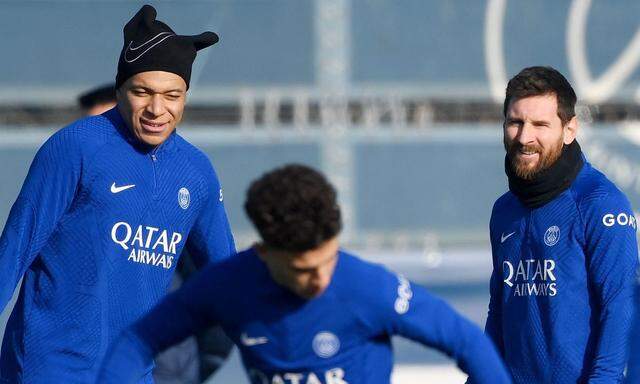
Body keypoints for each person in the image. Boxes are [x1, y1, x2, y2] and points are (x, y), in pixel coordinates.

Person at [99, 164, 512, 384]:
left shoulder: (367, 287)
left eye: (328, 260)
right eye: (303, 269)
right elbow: (139, 339)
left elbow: (465, 339)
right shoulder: (227, 286)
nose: (321, 278)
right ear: (263, 253)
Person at [0, 5, 235, 383]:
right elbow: (12, 253)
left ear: (185, 96)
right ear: (120, 89)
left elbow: (229, 279)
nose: (157, 110)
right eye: (142, 92)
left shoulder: (196, 171)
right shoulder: (76, 147)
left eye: (172, 95)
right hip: (50, 370)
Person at [477, 66, 638, 383]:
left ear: (570, 130)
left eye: (540, 124)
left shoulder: (600, 203)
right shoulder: (504, 211)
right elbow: (500, 311)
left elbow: (621, 308)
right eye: (515, 122)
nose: (525, 137)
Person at [77, 82, 233, 384]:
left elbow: (220, 283)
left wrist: (206, 361)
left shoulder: (178, 206)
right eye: (87, 128)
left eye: (107, 127)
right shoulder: (69, 212)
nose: (95, 142)